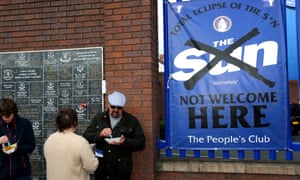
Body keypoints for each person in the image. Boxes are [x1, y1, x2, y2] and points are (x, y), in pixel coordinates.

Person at [83, 91, 145, 180]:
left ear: (123, 107)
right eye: (113, 107)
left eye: (119, 108)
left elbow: (141, 143)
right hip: (102, 168)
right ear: (109, 105)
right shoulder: (99, 118)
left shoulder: (131, 121)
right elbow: (86, 137)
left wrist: (125, 142)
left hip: (121, 170)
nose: (116, 110)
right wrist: (99, 134)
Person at [44, 108, 99, 180]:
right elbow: (91, 166)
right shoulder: (80, 142)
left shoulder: (49, 140)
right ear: (75, 123)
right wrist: (95, 155)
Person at [0, 98, 36, 180]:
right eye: (3, 115)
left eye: (9, 114)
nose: (6, 117)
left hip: (21, 173)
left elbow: (31, 145)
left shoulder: (25, 124)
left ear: (14, 112)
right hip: (1, 173)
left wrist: (17, 148)